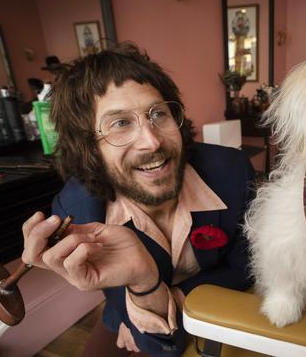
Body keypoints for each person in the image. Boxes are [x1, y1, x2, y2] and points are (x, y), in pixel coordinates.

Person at [21, 43, 255, 356]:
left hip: (222, 305)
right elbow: (159, 346)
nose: (152, 140)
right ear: (88, 147)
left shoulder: (232, 171)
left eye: (158, 114)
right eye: (120, 123)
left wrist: (170, 301)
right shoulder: (77, 211)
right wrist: (143, 290)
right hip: (127, 308)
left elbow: (245, 268)